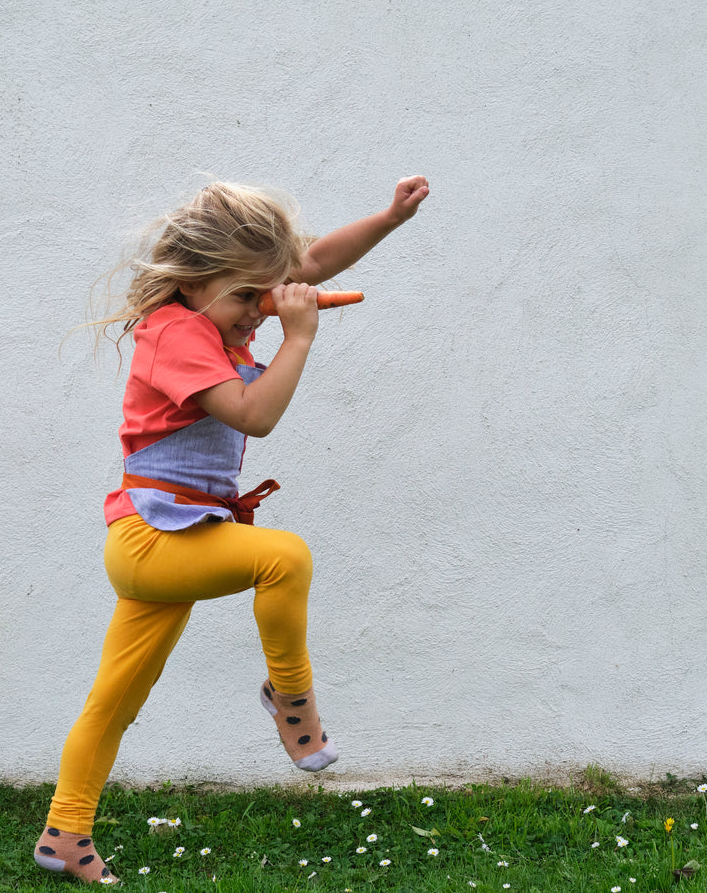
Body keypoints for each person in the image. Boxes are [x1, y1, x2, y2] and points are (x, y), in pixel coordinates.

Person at [33, 175, 431, 885]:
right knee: (284, 558)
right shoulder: (175, 332)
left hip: (178, 532)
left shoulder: (212, 306)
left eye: (268, 294)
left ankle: (65, 832)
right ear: (194, 280)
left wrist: (389, 219)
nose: (263, 311)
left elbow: (309, 266)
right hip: (153, 541)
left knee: (115, 699)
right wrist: (299, 336)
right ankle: (290, 695)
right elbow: (253, 413)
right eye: (249, 298)